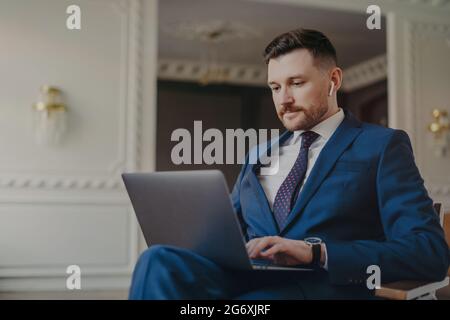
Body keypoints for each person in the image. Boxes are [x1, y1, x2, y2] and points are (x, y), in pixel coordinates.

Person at [128, 28, 449, 299]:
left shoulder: (381, 146)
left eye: (296, 83)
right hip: (251, 278)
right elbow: (229, 235)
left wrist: (316, 252)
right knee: (158, 260)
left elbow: (428, 251)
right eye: (275, 87)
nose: (284, 100)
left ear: (333, 80)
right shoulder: (257, 156)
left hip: (321, 286)